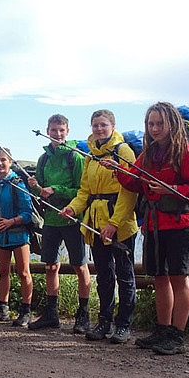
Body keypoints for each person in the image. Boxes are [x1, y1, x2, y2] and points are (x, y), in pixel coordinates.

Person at [109, 102, 189, 354]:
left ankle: (177, 335)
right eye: (151, 124)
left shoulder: (184, 152)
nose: (154, 129)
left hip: (179, 223)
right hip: (154, 224)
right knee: (160, 279)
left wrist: (171, 190)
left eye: (159, 124)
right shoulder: (149, 155)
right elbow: (134, 182)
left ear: (171, 124)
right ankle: (162, 329)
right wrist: (117, 169)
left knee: (178, 278)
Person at [60, 110, 139, 343]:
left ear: (113, 126)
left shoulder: (123, 151)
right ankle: (104, 321)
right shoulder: (90, 155)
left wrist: (115, 223)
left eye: (103, 125)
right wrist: (73, 208)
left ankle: (124, 324)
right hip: (95, 221)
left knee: (125, 274)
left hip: (120, 221)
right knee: (104, 274)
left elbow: (130, 189)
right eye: (95, 125)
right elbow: (85, 190)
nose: (99, 129)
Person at [26, 114, 91, 332]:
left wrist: (57, 190)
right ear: (47, 130)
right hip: (52, 219)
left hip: (73, 218)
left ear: (68, 131)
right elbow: (43, 192)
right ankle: (51, 314)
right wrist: (37, 186)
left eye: (61, 130)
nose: (57, 134)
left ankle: (83, 315)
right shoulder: (43, 159)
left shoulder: (76, 157)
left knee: (79, 265)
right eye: (53, 130)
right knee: (51, 265)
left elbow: (83, 191)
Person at [0, 147, 34, 326]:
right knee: (3, 273)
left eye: (3, 160)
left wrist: (10, 222)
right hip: (1, 236)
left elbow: (28, 213)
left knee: (24, 272)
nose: (0, 163)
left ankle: (26, 311)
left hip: (19, 235)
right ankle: (3, 309)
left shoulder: (18, 183)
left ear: (10, 162)